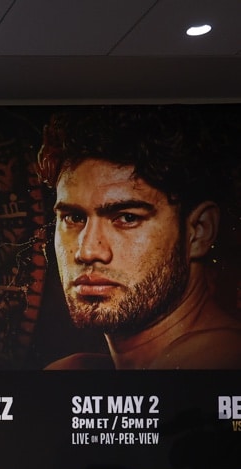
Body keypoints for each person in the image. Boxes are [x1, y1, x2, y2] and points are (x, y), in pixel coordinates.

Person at [39, 106, 241, 369]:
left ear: (199, 231)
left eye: (127, 218)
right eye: (74, 218)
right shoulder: (89, 373)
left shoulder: (220, 360)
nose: (87, 252)